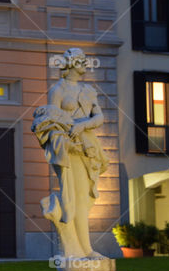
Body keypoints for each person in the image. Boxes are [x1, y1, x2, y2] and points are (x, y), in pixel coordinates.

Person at [31, 48, 110, 259]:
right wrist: (65, 139)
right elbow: (50, 121)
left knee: (84, 198)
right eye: (81, 61)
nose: (85, 65)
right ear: (71, 64)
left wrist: (82, 125)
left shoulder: (88, 90)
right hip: (68, 150)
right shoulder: (57, 90)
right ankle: (82, 250)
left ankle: (85, 249)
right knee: (73, 197)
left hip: (88, 147)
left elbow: (99, 117)